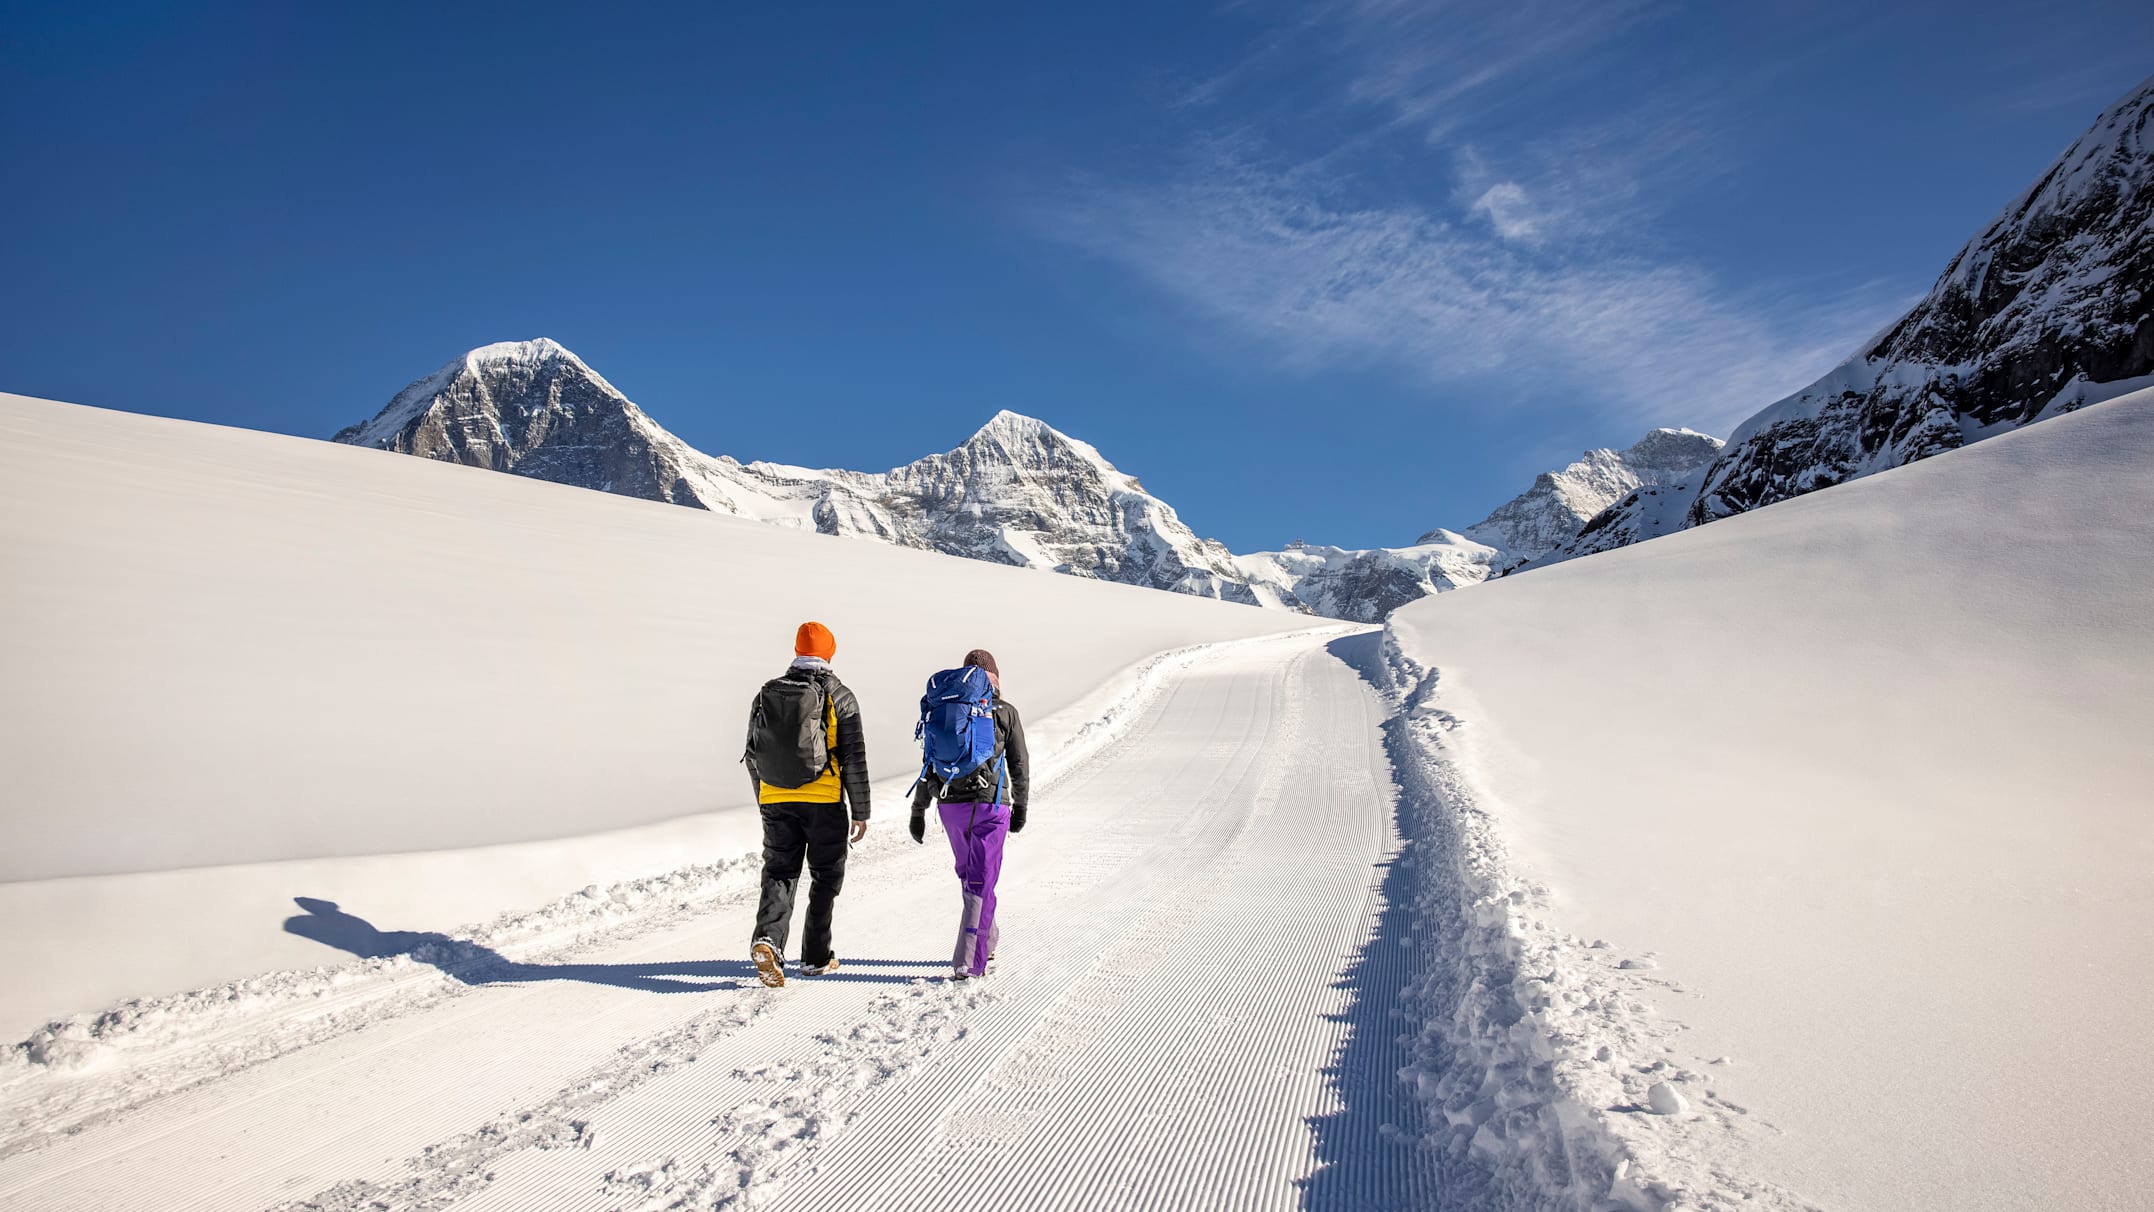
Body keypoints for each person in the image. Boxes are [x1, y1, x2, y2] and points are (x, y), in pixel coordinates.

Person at [742, 621, 869, 987]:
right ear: (829, 653)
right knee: (826, 876)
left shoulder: (767, 693)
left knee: (780, 871)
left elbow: (753, 753)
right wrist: (861, 811)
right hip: (824, 802)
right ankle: (815, 957)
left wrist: (765, 798)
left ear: (797, 651)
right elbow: (854, 758)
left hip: (776, 798)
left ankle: (768, 939)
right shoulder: (840, 695)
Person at [909, 648, 1030, 980]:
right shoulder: (1004, 712)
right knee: (981, 882)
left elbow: (929, 765)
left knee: (971, 877)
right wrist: (1020, 806)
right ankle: (969, 962)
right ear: (995, 677)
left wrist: (919, 810)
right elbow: (1019, 765)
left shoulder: (946, 710)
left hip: (951, 809)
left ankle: (987, 941)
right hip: (991, 808)